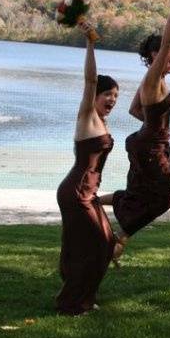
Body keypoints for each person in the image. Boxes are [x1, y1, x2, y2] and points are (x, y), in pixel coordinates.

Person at [99, 0, 170, 263]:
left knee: (142, 193)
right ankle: (119, 238)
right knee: (161, 199)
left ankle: (96, 202)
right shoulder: (154, 77)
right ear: (158, 54)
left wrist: (154, 128)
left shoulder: (152, 79)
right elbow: (169, 40)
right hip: (149, 146)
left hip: (147, 142)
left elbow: (135, 109)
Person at [56, 22, 119, 315]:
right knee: (98, 243)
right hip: (77, 191)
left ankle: (81, 296)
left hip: (86, 192)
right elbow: (90, 80)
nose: (112, 100)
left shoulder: (102, 123)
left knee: (104, 243)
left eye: (116, 97)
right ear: (95, 96)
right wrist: (91, 43)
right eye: (108, 95)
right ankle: (73, 301)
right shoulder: (86, 116)